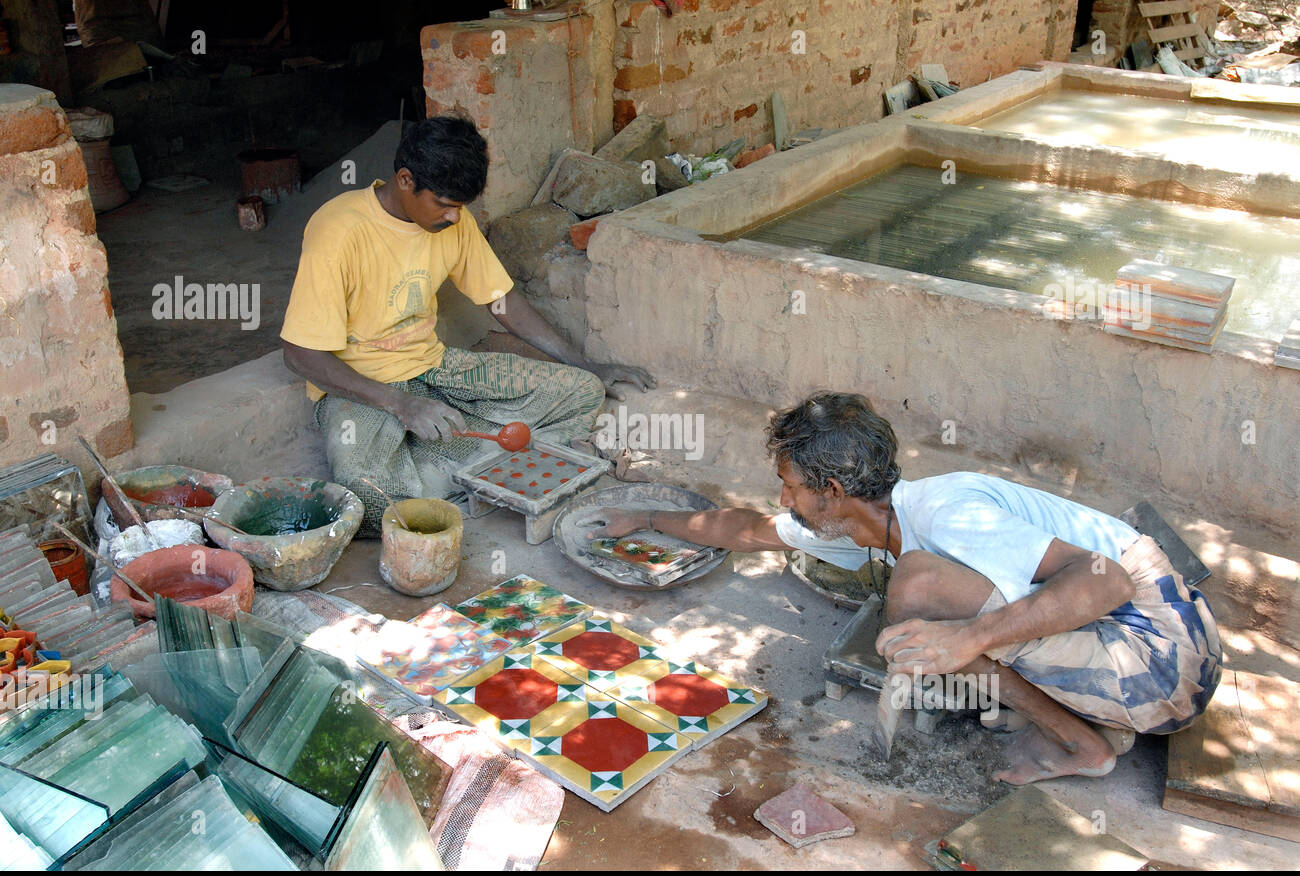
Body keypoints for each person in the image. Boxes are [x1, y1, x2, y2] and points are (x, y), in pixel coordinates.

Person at [592, 392, 1222, 784]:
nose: (785, 500)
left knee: (918, 591)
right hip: (1135, 656)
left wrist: (968, 638)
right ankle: (1084, 735)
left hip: (1164, 662)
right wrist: (647, 518)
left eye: (791, 485)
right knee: (923, 608)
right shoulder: (861, 523)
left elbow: (1107, 579)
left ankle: (1082, 740)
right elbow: (750, 530)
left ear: (833, 491)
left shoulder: (947, 511)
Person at [280, 115, 653, 535]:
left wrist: (588, 364)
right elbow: (299, 353)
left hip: (434, 368)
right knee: (367, 500)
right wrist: (400, 404)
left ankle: (443, 464)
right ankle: (462, 462)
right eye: (445, 204)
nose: (456, 218)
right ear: (406, 180)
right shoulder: (338, 230)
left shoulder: (453, 221)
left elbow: (501, 300)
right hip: (363, 388)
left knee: (582, 392)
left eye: (461, 207)